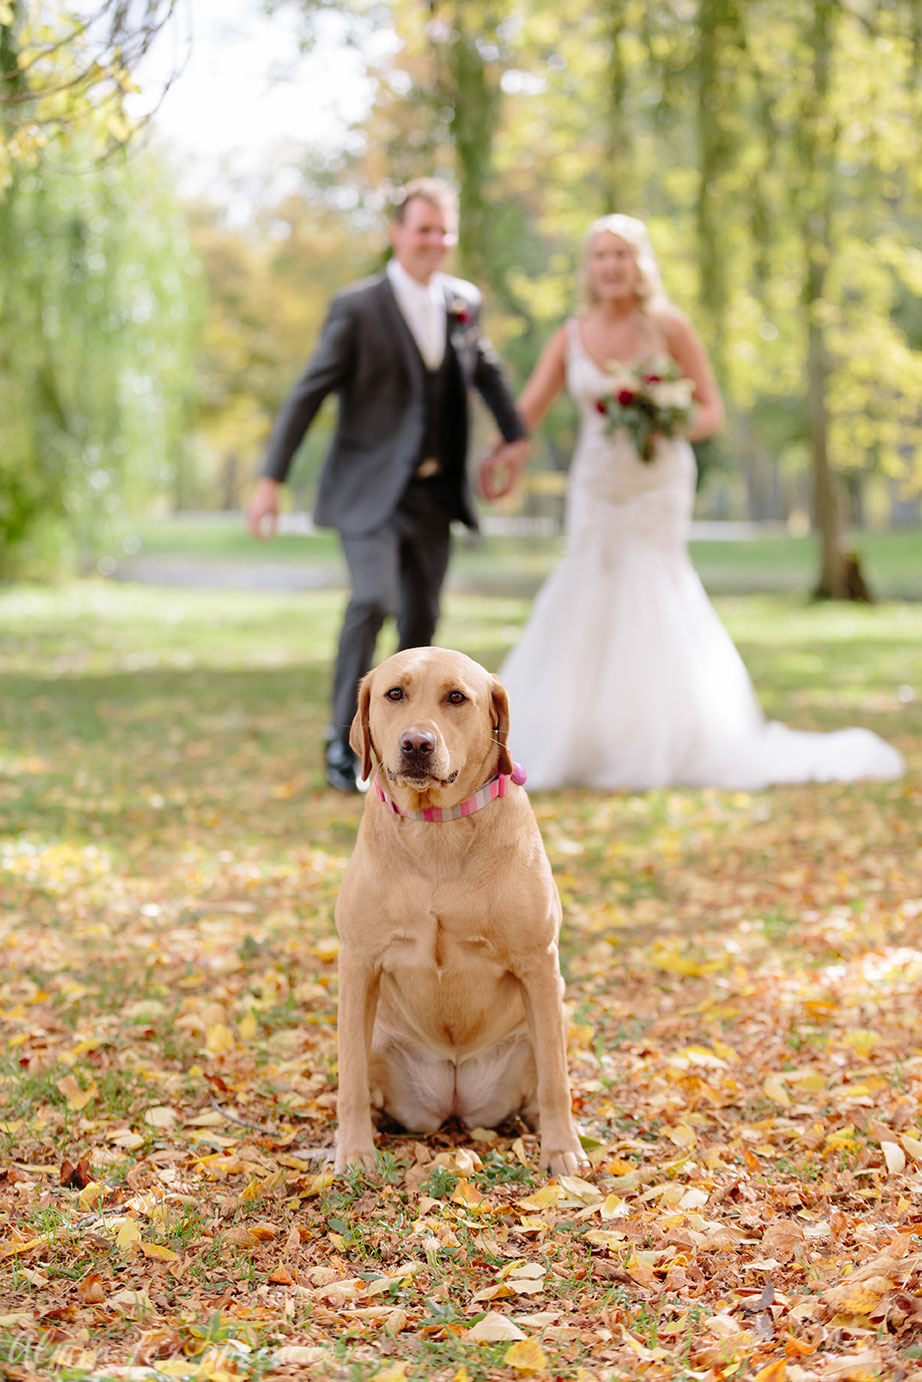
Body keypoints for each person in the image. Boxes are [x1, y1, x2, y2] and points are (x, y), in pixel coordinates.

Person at [479, 214, 904, 790]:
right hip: (597, 486)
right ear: (589, 268)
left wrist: (666, 418)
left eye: (621, 255)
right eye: (600, 256)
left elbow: (711, 412)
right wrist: (501, 456)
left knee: (651, 589)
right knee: (586, 587)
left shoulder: (669, 327)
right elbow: (525, 414)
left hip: (657, 483)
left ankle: (661, 741)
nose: (610, 267)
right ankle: (574, 738)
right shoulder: (571, 335)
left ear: (639, 264)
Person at [247, 178, 529, 792]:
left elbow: (487, 371)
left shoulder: (463, 302)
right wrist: (270, 479)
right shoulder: (358, 307)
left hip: (433, 495)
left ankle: (418, 753)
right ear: (398, 233)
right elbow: (308, 392)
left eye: (444, 231)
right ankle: (340, 743)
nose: (435, 241)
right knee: (373, 597)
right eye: (423, 229)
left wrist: (515, 436)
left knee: (424, 626)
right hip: (367, 492)